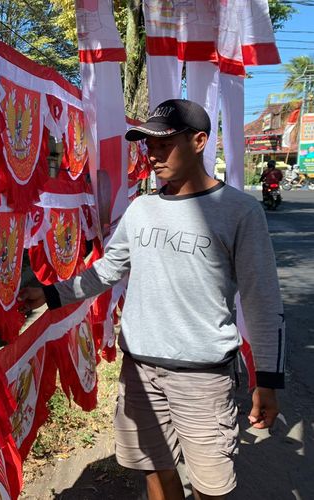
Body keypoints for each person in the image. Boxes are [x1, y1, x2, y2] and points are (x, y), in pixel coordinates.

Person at [18, 99, 285, 500]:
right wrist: (51, 294)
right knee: (153, 467)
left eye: (164, 144)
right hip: (139, 372)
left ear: (198, 141)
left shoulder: (240, 212)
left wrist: (267, 381)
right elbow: (108, 271)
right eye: (149, 145)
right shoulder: (141, 210)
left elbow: (261, 300)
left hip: (203, 378)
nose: (154, 155)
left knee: (212, 485)